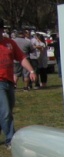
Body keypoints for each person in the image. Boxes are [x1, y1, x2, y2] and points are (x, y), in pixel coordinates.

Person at [1, 19, 37, 147]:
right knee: (5, 112)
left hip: (9, 81)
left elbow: (21, 58)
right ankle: (11, 140)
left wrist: (31, 70)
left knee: (7, 110)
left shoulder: (9, 44)